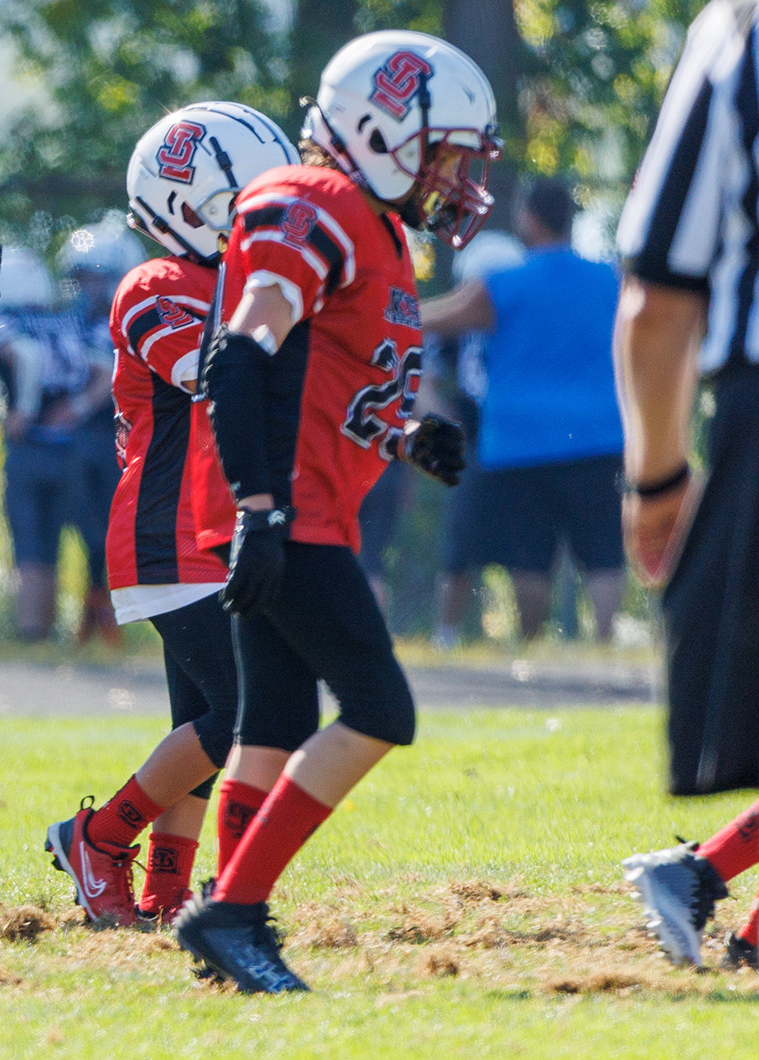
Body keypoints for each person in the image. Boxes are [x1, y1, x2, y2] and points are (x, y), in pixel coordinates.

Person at [169, 31, 490, 995]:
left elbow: (326, 381)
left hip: (301, 503)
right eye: (443, 154)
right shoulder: (315, 200)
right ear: (382, 132)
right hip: (284, 506)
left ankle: (231, 914)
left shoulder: (376, 228)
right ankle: (231, 913)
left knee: (272, 722)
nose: (453, 178)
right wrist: (261, 508)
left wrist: (404, 437)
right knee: (381, 709)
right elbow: (241, 356)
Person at [42, 101, 297, 930]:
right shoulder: (159, 284)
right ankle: (98, 839)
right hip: (169, 527)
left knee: (202, 725)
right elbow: (211, 375)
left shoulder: (237, 289)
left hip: (212, 528)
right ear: (189, 208)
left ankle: (163, 891)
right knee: (242, 713)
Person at [610, 0, 759, 973]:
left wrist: (656, 478)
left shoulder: (739, 37)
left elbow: (657, 301)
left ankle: (703, 878)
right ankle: (704, 881)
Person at [424, 179, 628, 644]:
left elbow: (437, 317)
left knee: (530, 555)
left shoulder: (503, 284)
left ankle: (531, 643)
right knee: (602, 550)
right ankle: (605, 640)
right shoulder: (610, 279)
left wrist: (385, 311)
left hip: (520, 440)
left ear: (528, 218)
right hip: (597, 434)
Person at [0, 247, 125, 644]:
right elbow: (106, 367)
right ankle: (81, 630)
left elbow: (27, 357)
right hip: (73, 448)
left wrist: (23, 409)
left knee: (31, 548)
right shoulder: (70, 320)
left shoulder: (3, 320)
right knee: (76, 541)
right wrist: (78, 408)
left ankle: (34, 634)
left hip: (30, 446)